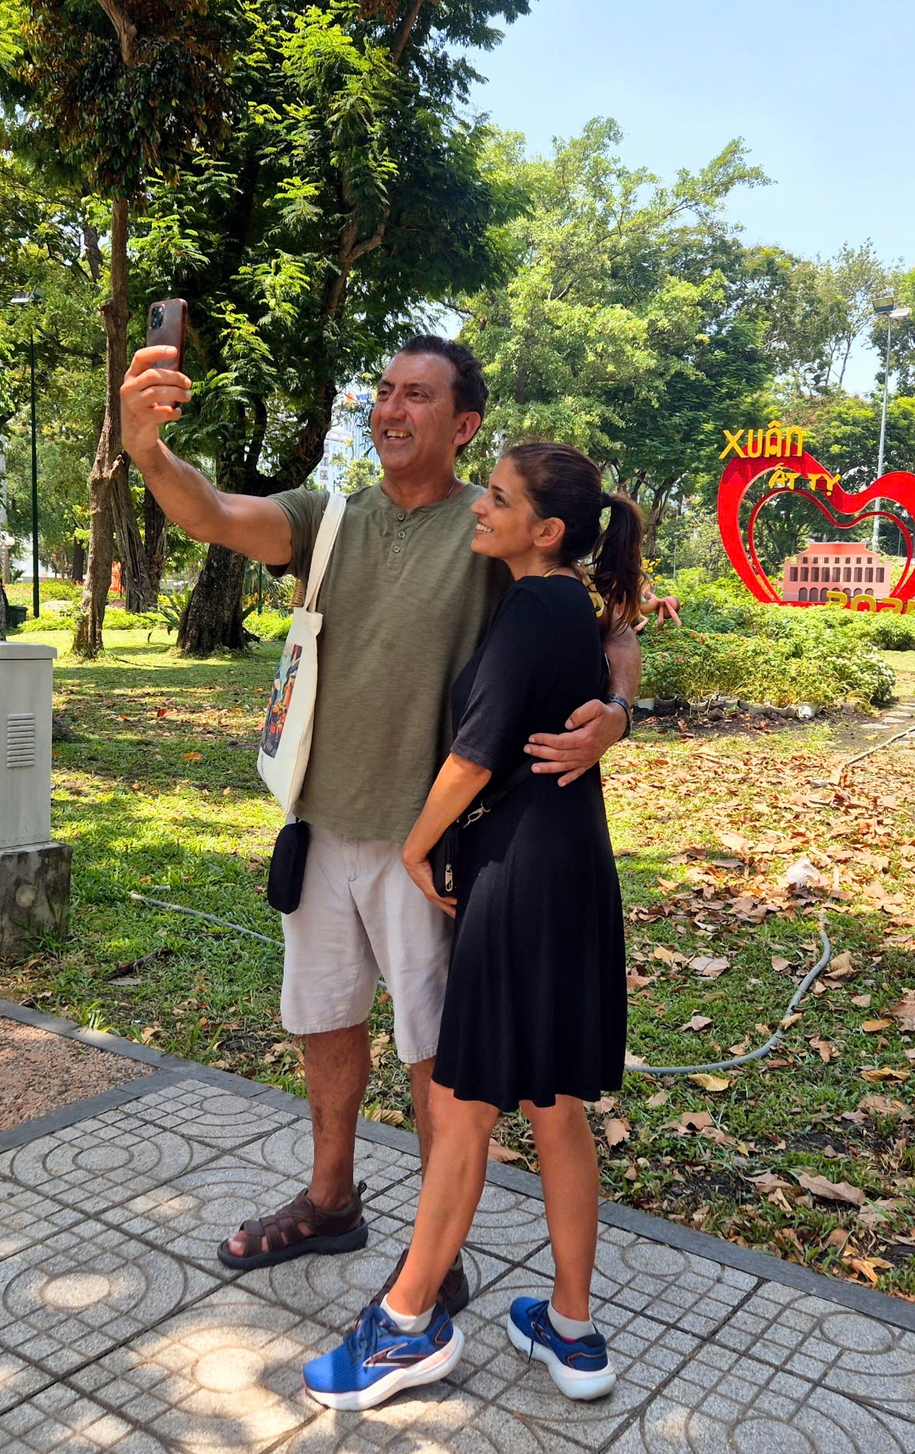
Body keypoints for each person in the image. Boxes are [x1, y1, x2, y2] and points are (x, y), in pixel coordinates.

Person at [117, 335, 641, 1309]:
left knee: (437, 1057)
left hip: (431, 853)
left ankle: (429, 1263)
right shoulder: (329, 522)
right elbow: (215, 515)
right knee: (325, 1024)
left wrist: (614, 714)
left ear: (463, 424)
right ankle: (329, 1201)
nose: (392, 411)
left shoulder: (490, 532)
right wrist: (149, 451)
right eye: (385, 393)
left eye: (418, 397)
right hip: (318, 825)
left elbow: (609, 625)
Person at [302, 442, 636, 1411]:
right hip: (574, 872)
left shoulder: (532, 609)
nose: (478, 509)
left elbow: (473, 754)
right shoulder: (562, 603)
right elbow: (617, 651)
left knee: (464, 1106)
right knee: (555, 1109)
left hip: (516, 876)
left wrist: (416, 847)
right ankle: (570, 1332)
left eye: (496, 499)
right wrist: (622, 704)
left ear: (546, 532)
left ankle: (405, 1325)